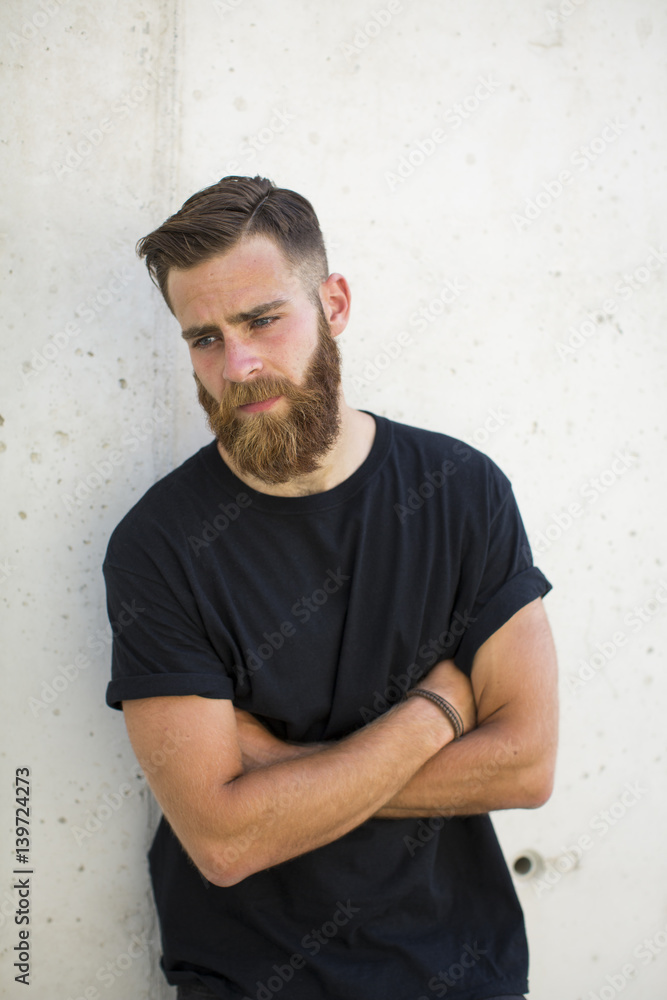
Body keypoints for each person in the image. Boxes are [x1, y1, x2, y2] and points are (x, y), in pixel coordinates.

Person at [103, 175, 558, 1000]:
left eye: (261, 320)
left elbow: (524, 765)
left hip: (459, 974)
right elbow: (225, 842)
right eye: (204, 338)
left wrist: (280, 774)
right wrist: (437, 713)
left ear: (334, 303)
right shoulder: (159, 546)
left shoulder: (461, 492)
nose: (237, 365)